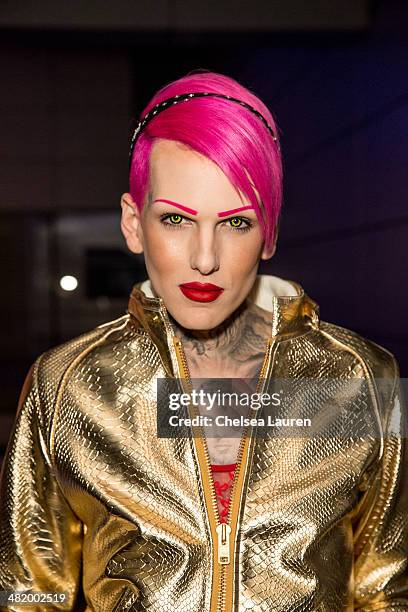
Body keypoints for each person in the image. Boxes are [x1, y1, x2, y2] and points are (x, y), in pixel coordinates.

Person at [0, 70, 407, 612]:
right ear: (133, 223)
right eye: (176, 220)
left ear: (271, 233)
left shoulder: (361, 379)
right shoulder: (68, 385)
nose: (205, 257)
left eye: (237, 223)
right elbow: (27, 592)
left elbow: (388, 589)